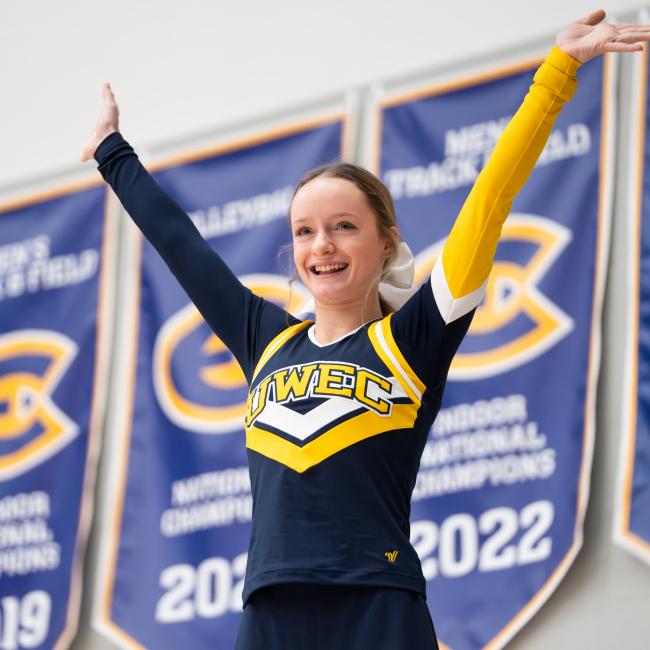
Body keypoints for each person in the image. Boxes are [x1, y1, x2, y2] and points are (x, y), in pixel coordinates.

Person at [82, 10, 649, 650]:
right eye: (304, 231)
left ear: (386, 243)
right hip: (269, 610)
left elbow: (490, 198)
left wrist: (557, 73)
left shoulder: (413, 339)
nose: (321, 244)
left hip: (378, 606)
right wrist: (113, 152)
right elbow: (180, 244)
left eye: (344, 226)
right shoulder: (265, 338)